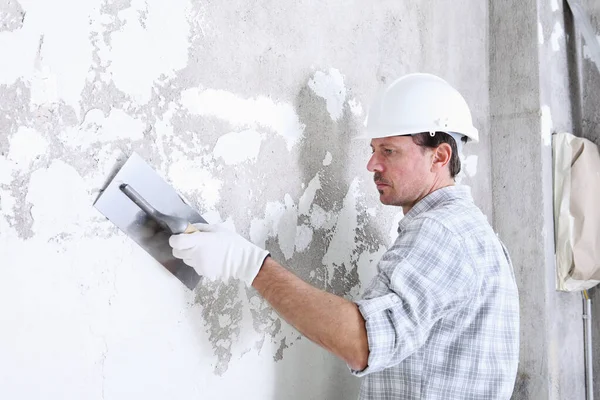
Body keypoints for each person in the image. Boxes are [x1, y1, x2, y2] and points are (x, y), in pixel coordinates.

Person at [169, 73, 520, 399]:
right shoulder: (469, 232)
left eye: (389, 151)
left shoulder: (441, 232)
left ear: (440, 156)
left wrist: (249, 264)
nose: (372, 164)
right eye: (373, 149)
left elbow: (364, 342)